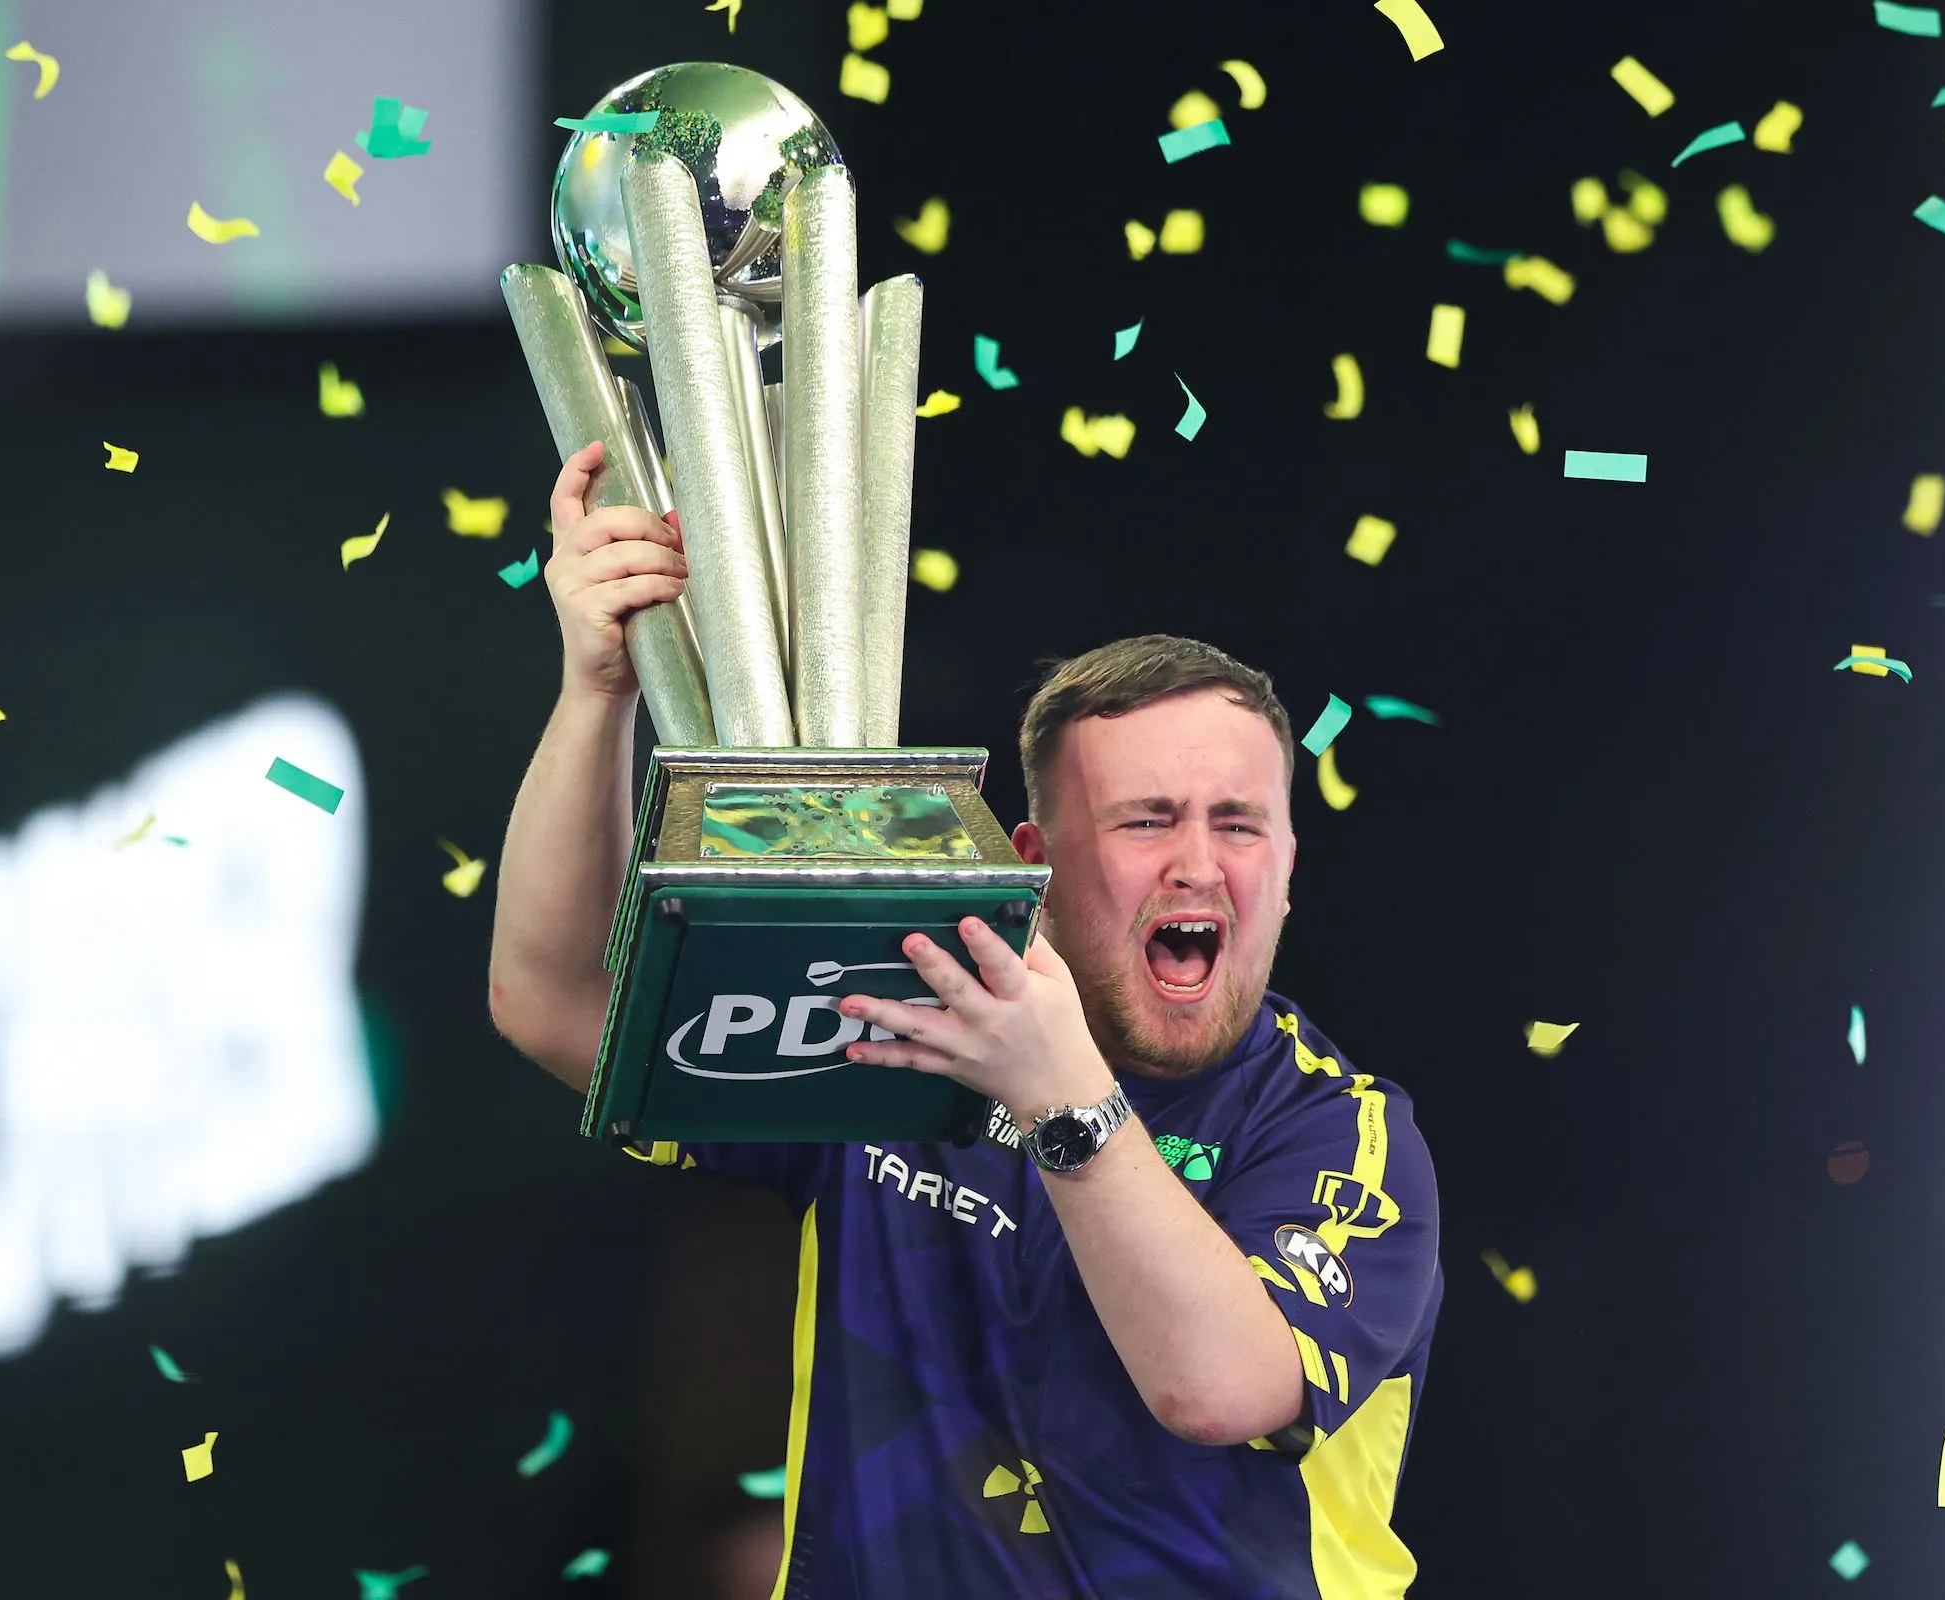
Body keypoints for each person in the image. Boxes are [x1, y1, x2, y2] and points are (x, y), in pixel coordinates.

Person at [489, 440, 1444, 1599]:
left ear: (1288, 869)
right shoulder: (909, 1032)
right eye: (1147, 820)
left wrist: (1065, 1102)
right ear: (1032, 861)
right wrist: (597, 692)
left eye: (1239, 824)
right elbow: (551, 1001)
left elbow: (1217, 1387)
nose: (1199, 863)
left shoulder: (1338, 1130)